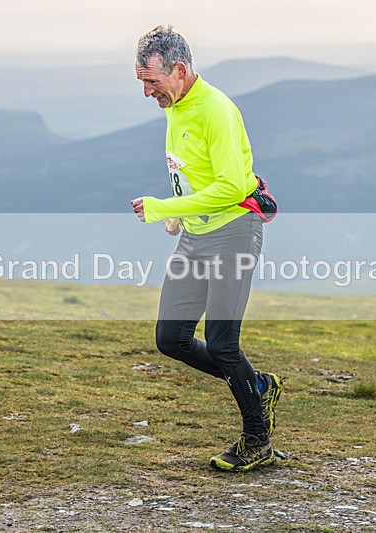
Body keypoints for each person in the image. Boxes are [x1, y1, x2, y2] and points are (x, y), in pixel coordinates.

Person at [130, 25, 282, 472]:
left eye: (152, 82)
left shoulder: (215, 109)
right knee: (171, 338)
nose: (146, 92)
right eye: (141, 81)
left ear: (179, 71)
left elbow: (234, 186)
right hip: (196, 236)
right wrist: (179, 213)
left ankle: (257, 441)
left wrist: (164, 207)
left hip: (235, 231)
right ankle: (257, 385)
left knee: (221, 343)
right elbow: (192, 170)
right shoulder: (175, 104)